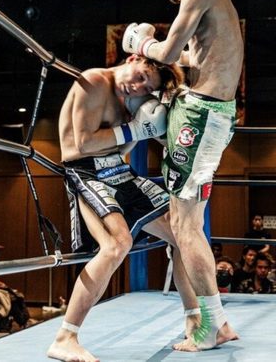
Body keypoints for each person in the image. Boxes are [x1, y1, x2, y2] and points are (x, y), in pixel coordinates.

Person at [125, 0, 243, 351]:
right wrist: (156, 52)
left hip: (201, 114)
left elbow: (172, 52)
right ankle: (217, 322)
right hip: (211, 114)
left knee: (184, 225)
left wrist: (144, 43)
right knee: (186, 223)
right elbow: (195, 56)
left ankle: (211, 325)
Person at [47, 55, 202, 362]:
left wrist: (148, 128)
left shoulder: (135, 98)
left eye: (146, 86)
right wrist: (136, 130)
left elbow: (123, 144)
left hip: (118, 169)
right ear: (133, 58)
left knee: (182, 233)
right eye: (141, 76)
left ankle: (194, 320)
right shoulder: (94, 81)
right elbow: (84, 143)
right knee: (117, 244)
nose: (138, 86)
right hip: (86, 171)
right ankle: (65, 338)